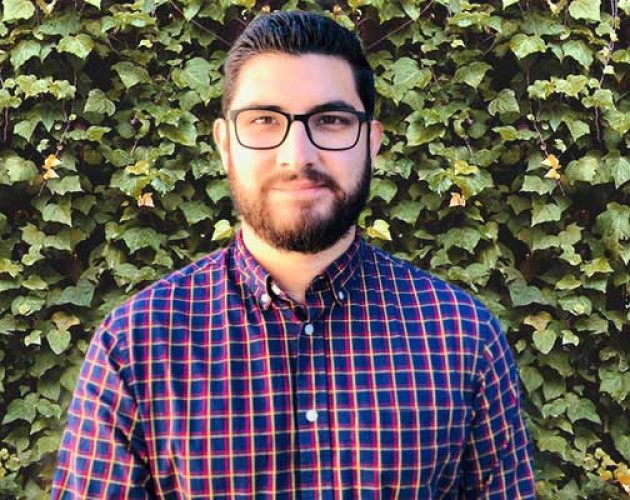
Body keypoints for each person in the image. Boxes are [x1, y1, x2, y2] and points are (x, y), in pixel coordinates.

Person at [52, 10, 536, 499]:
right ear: (224, 144)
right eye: (264, 120)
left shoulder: (463, 336)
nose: (297, 155)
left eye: (330, 120)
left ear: (372, 142)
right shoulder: (136, 343)